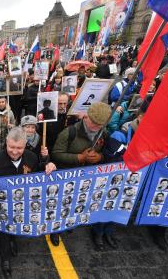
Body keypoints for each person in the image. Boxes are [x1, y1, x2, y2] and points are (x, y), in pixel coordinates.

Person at [0, 127, 56, 277]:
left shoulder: (32, 157)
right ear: (6, 143)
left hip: (23, 203)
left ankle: (14, 239)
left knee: (17, 224)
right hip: (2, 205)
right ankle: (5, 259)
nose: (14, 151)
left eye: (19, 148)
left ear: (25, 145)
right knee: (3, 232)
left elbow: (40, 172)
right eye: (11, 147)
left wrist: (48, 165)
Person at [52, 102, 114, 250]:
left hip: (87, 179)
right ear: (86, 117)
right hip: (68, 178)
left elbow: (107, 153)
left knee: (77, 203)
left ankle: (72, 222)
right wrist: (79, 158)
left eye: (100, 124)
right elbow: (56, 154)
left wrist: (100, 157)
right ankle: (56, 230)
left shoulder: (103, 133)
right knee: (62, 205)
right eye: (94, 123)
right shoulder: (69, 133)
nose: (96, 127)